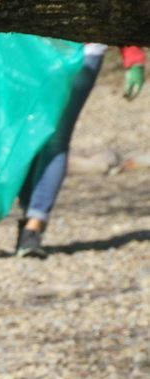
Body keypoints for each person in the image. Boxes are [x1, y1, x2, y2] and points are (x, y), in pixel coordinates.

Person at [15, 44, 145, 257]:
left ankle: (33, 224)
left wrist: (133, 56)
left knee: (54, 138)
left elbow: (119, 12)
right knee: (37, 136)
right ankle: (31, 219)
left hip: (74, 54)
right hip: (37, 51)